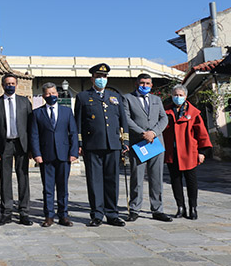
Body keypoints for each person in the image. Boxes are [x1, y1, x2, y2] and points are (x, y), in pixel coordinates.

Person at [74, 63, 129, 227]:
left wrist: (125, 141)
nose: (101, 79)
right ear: (92, 78)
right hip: (92, 145)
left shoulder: (115, 97)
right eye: (98, 77)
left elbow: (123, 121)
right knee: (94, 181)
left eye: (104, 77)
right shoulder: (83, 97)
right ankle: (97, 214)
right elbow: (78, 123)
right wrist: (79, 143)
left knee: (112, 181)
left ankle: (112, 214)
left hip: (113, 145)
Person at [123, 73, 171, 222]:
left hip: (155, 143)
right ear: (137, 84)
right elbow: (126, 119)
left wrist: (153, 133)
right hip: (138, 143)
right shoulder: (128, 98)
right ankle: (134, 209)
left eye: (148, 83)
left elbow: (164, 118)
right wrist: (143, 133)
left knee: (156, 178)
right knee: (137, 178)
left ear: (151, 85)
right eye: (142, 83)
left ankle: (157, 210)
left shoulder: (156, 100)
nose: (145, 86)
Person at [30, 82, 78, 227]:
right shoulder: (37, 113)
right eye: (48, 94)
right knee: (48, 188)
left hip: (64, 154)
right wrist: (37, 154)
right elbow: (34, 135)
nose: (51, 96)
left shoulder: (66, 111)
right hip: (46, 155)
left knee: (63, 187)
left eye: (53, 93)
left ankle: (63, 215)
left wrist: (74, 152)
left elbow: (73, 133)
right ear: (44, 96)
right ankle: (49, 215)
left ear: (57, 94)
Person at [0, 74, 33, 226]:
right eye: (8, 83)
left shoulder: (24, 102)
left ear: (17, 85)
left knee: (23, 178)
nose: (10, 86)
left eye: (13, 83)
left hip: (22, 144)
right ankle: (6, 212)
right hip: (4, 145)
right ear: (2, 85)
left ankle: (24, 212)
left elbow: (31, 126)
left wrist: (31, 148)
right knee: (5, 179)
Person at [162, 84, 212, 220]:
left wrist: (202, 152)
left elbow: (201, 133)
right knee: (175, 180)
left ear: (185, 96)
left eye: (180, 95)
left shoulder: (194, 112)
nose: (178, 97)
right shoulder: (166, 111)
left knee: (191, 181)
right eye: (175, 95)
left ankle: (193, 208)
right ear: (171, 96)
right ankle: (180, 207)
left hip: (189, 151)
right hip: (172, 152)